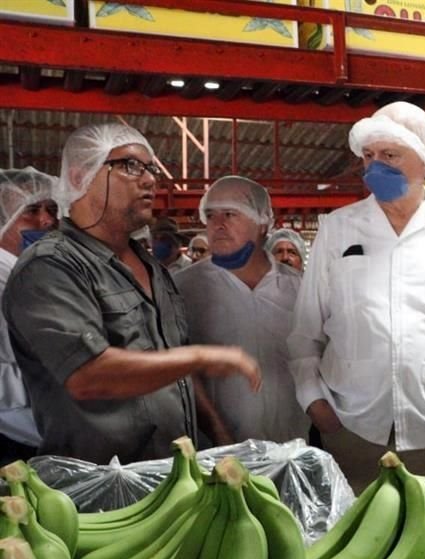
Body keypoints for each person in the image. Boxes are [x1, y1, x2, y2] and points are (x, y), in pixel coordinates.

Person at [2, 123, 262, 464]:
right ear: (81, 177)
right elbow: (88, 377)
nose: (150, 179)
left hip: (174, 472)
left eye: (151, 168)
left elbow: (175, 364)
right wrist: (202, 357)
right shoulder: (50, 267)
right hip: (102, 483)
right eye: (130, 166)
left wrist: (220, 438)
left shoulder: (154, 270)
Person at [288, 101, 425, 492]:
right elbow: (305, 333)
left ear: (424, 160)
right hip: (353, 433)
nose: (376, 167)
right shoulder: (338, 230)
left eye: (390, 155)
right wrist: (317, 406)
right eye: (369, 156)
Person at [175, 176, 309, 445]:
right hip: (216, 451)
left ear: (262, 223)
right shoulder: (184, 288)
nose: (218, 224)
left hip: (290, 443)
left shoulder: (299, 289)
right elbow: (179, 369)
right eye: (210, 215)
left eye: (230, 214)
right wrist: (217, 431)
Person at [0, 168, 59, 464]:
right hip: (12, 443)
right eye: (31, 211)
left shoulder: (31, 274)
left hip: (43, 439)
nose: (45, 221)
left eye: (51, 210)